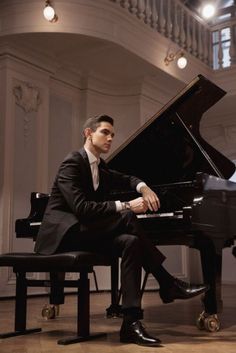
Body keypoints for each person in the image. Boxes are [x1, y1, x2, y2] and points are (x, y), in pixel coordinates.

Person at [35, 115, 208, 347]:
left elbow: (127, 178)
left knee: (130, 243)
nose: (110, 138)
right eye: (105, 132)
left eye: (112, 135)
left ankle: (131, 323)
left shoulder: (100, 167)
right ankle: (167, 283)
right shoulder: (72, 162)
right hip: (65, 236)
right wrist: (127, 205)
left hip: (85, 233)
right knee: (126, 216)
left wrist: (143, 187)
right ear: (88, 133)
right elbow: (82, 208)